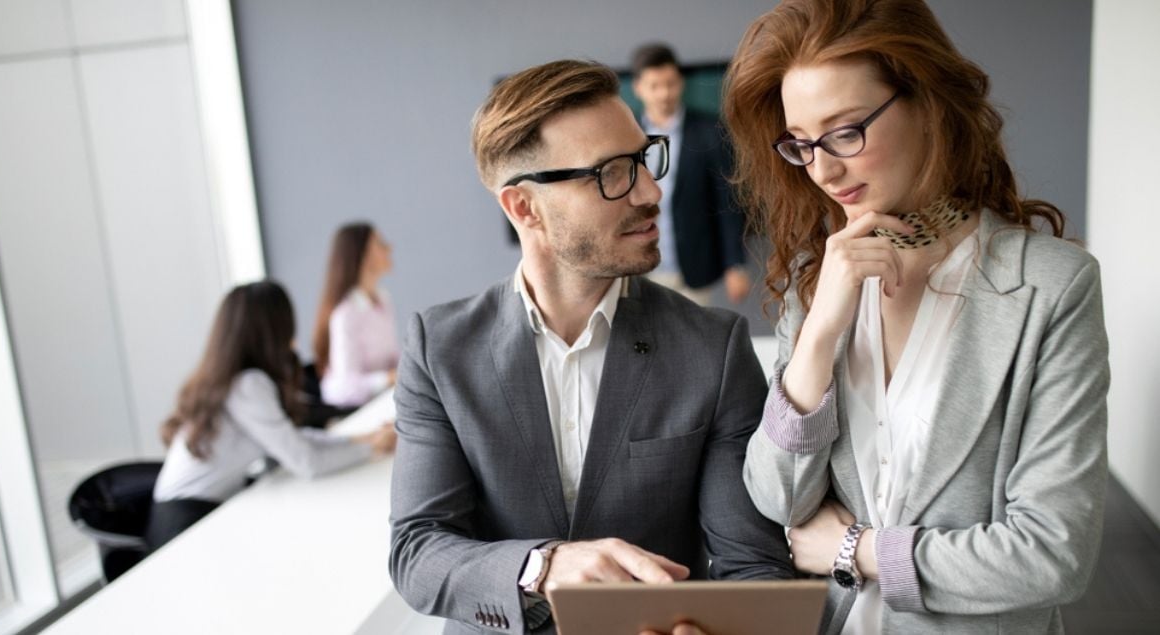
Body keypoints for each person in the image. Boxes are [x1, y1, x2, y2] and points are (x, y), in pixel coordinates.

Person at [723, 0, 1110, 633]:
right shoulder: (817, 281)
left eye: (846, 131)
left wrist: (855, 551)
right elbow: (779, 500)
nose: (823, 169)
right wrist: (820, 331)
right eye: (801, 144)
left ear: (927, 103)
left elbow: (1052, 555)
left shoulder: (1049, 287)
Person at [389, 60, 793, 635]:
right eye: (611, 173)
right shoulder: (441, 348)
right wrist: (542, 566)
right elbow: (417, 551)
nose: (651, 191)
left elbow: (753, 565)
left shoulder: (713, 347)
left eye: (644, 158)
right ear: (523, 207)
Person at [148, 281, 395, 550]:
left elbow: (291, 440)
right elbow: (307, 461)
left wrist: (363, 440)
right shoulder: (247, 385)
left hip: (185, 513)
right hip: (185, 524)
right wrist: (372, 448)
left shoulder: (232, 380)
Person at [631, 42, 751, 306]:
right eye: (654, 86)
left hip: (695, 266)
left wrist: (735, 265)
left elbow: (727, 200)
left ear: (681, 83)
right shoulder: (625, 135)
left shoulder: (709, 129)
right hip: (641, 269)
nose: (664, 93)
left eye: (670, 83)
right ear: (638, 89)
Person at [313, 223, 400, 408]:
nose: (389, 248)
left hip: (384, 400)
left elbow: (392, 359)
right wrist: (389, 378)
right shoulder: (345, 314)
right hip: (356, 408)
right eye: (380, 243)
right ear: (363, 254)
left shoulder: (383, 300)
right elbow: (345, 386)